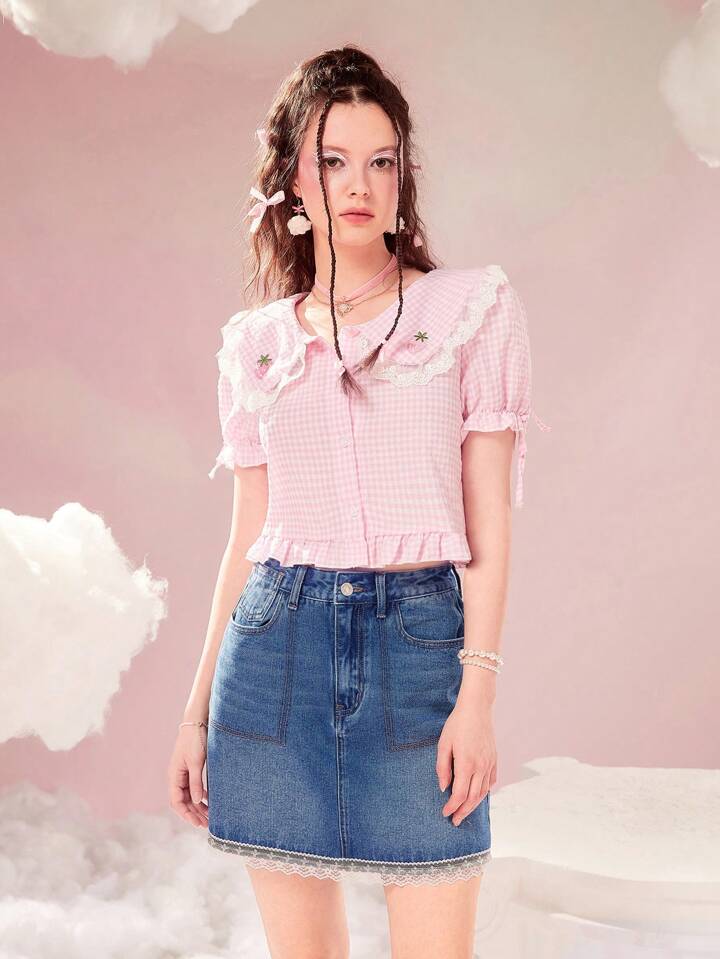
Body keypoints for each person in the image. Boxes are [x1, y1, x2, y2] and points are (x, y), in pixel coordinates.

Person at [168, 44, 550, 959]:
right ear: (292, 179)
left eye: (381, 160)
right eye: (333, 160)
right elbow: (247, 538)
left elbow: (488, 528)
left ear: (402, 174)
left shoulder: (469, 310)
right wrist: (193, 711)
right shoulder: (255, 345)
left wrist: (478, 692)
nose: (359, 184)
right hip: (274, 658)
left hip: (419, 656)